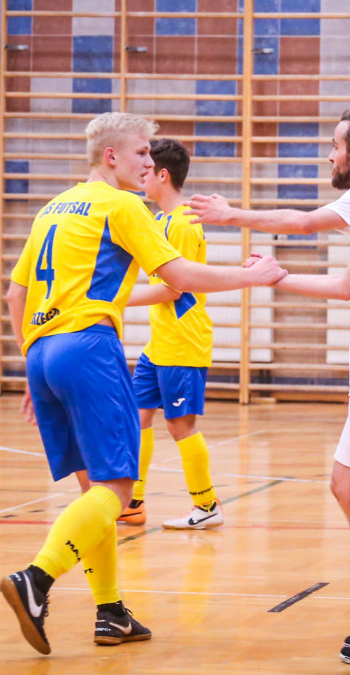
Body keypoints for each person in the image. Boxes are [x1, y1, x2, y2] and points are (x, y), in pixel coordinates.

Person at [0, 112, 286, 656]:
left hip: (41, 350)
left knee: (96, 491)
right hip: (88, 348)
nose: (150, 163)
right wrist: (250, 276)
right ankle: (35, 580)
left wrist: (32, 360)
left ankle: (110, 612)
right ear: (112, 157)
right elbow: (179, 279)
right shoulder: (124, 206)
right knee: (117, 490)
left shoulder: (53, 207)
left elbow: (16, 295)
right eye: (141, 154)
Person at [188, 109, 350, 668]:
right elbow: (349, 286)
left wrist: (231, 214)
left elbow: (300, 221)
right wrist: (278, 277)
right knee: (346, 487)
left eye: (334, 146)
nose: (329, 155)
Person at [121, 138, 222, 530]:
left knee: (180, 426)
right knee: (137, 415)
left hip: (183, 340)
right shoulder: (160, 220)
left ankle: (207, 505)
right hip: (159, 342)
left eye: (146, 172)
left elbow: (174, 288)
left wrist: (115, 300)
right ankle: (132, 502)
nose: (141, 177)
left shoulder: (180, 223)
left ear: (162, 175)